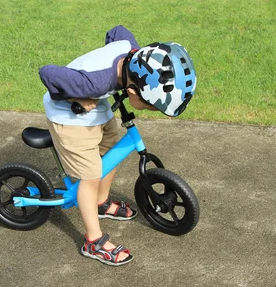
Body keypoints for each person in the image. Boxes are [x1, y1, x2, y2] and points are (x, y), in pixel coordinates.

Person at [38, 25, 197, 266]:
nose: (152, 111)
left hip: (96, 107)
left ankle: (100, 203)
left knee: (112, 149)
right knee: (90, 176)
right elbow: (47, 72)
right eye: (151, 106)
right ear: (132, 90)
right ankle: (93, 241)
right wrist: (76, 95)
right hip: (68, 116)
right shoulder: (92, 84)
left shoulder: (130, 50)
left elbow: (117, 31)